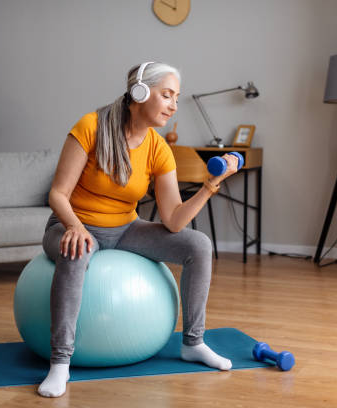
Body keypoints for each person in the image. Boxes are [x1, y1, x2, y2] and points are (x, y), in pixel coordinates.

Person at [38, 62, 239, 398]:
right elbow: (57, 194)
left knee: (198, 245)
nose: (175, 105)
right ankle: (60, 363)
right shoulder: (90, 126)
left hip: (125, 228)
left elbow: (174, 220)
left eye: (177, 97)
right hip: (70, 224)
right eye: (167, 95)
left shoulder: (159, 149)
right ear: (140, 92)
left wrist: (208, 187)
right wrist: (74, 226)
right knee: (77, 249)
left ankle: (194, 342)